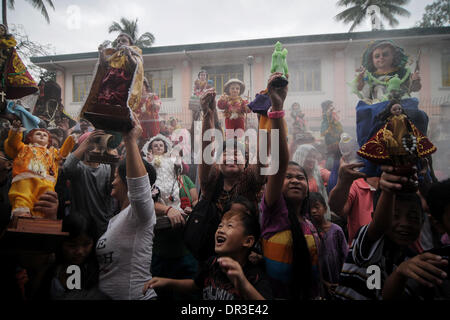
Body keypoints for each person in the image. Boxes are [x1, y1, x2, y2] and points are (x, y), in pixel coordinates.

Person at [334, 166, 448, 300]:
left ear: (422, 222)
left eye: (413, 217)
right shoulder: (368, 244)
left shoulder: (412, 262)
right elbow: (380, 225)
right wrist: (389, 189)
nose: (404, 223)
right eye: (395, 215)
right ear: (375, 217)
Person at [259, 72, 322, 300]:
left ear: (308, 186)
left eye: (300, 177)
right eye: (289, 177)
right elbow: (278, 161)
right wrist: (277, 107)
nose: (295, 180)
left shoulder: (310, 223)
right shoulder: (273, 213)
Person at [142, 197, 273, 300]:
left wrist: (243, 283)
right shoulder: (212, 263)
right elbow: (196, 285)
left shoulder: (255, 276)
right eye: (220, 225)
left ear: (248, 241)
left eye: (230, 226)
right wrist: (167, 282)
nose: (221, 230)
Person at [95, 113, 157, 300]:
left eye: (116, 178)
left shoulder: (139, 214)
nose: (112, 183)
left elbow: (138, 190)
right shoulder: (116, 219)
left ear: (126, 182)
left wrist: (130, 140)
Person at [4, 119, 74, 217]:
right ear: (30, 138)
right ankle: (21, 213)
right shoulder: (24, 148)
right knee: (23, 195)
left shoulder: (52, 152)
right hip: (25, 179)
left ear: (48, 141)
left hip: (46, 181)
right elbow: (12, 142)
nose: (42, 135)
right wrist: (15, 130)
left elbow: (63, 153)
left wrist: (71, 140)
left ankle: (40, 217)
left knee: (44, 200)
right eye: (38, 134)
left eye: (45, 135)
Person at [35, 213, 106, 300]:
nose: (79, 251)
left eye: (86, 244)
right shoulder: (52, 266)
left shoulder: (90, 270)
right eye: (72, 245)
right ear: (61, 243)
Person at [62, 130, 116, 236]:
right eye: (91, 147)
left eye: (99, 147)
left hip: (102, 224)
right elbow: (67, 168)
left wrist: (113, 164)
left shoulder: (107, 168)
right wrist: (87, 141)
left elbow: (111, 190)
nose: (95, 150)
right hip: (81, 225)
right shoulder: (79, 168)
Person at [352, 40, 421, 104]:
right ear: (371, 60)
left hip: (399, 106)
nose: (381, 58)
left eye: (385, 54)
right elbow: (360, 88)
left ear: (393, 56)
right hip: (377, 107)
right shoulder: (369, 75)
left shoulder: (403, 72)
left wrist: (415, 80)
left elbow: (415, 88)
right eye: (377, 56)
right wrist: (360, 78)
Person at [328, 158, 378, 245]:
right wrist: (343, 182)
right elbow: (337, 208)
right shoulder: (356, 184)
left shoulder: (394, 183)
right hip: (358, 251)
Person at [309, 192, 347, 299]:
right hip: (320, 283)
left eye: (317, 207)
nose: (313, 211)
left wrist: (343, 280)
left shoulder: (336, 231)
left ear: (325, 209)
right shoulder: (309, 232)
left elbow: (345, 257)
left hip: (338, 280)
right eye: (310, 208)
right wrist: (325, 283)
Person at [292, 144, 330, 220]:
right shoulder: (292, 176)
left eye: (313, 157)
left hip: (316, 217)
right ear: (301, 157)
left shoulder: (318, 173)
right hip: (298, 216)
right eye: (308, 156)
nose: (311, 159)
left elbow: (332, 177)